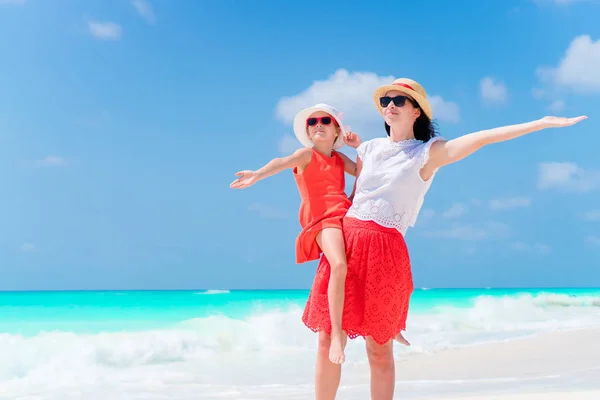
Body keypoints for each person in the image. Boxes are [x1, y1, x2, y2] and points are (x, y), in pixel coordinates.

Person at [301, 78, 587, 400]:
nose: (390, 105)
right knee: (326, 336)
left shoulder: (428, 153)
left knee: (378, 349)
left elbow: (480, 139)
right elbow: (348, 190)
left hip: (386, 251)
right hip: (349, 242)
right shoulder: (368, 149)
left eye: (399, 100)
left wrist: (540, 123)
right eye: (385, 101)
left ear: (416, 112)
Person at [229, 103, 361, 365]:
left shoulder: (339, 159)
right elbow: (281, 162)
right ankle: (336, 334)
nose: (318, 125)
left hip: (347, 215)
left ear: (337, 130)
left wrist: (358, 146)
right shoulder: (306, 155)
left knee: (367, 262)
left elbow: (364, 171)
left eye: (325, 120)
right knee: (339, 264)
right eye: (312, 123)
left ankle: (386, 328)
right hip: (324, 220)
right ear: (309, 133)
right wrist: (257, 174)